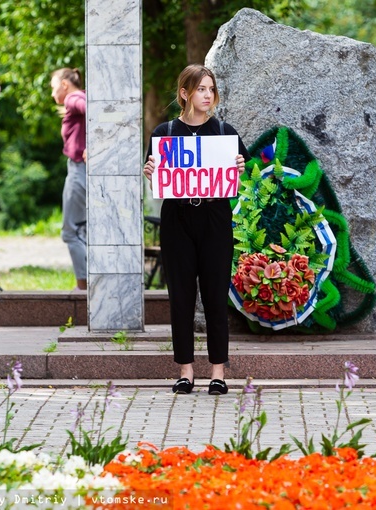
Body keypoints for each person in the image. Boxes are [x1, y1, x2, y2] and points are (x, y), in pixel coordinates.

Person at [143, 64, 248, 396]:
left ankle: (218, 372)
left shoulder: (224, 132)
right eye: (201, 89)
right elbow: (157, 176)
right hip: (177, 218)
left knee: (216, 294)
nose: (207, 95)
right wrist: (151, 171)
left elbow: (237, 174)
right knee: (181, 297)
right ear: (185, 93)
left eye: (211, 89)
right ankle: (185, 371)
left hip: (215, 217)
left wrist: (239, 168)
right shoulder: (164, 133)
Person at [50, 68, 87, 291]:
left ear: (64, 84)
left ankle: (83, 286)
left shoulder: (74, 98)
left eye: (53, 86)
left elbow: (92, 110)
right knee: (81, 229)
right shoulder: (76, 98)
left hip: (79, 169)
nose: (52, 92)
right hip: (78, 168)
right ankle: (86, 284)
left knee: (71, 230)